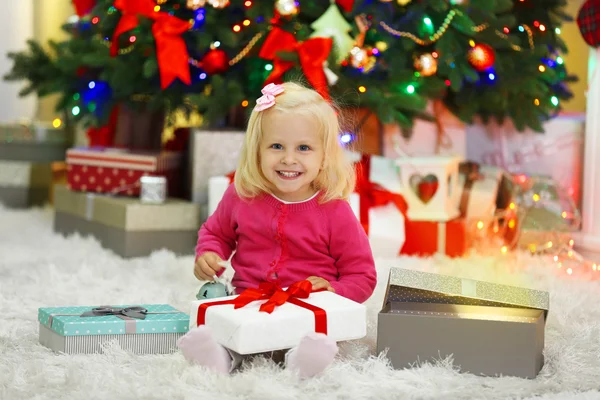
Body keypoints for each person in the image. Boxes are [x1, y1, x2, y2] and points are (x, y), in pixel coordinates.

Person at [177, 81, 377, 378]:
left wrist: (334, 290)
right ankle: (218, 358)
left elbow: (363, 275)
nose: (289, 159)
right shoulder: (242, 194)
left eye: (304, 148)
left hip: (306, 309)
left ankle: (304, 362)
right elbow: (216, 233)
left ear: (324, 156)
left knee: (311, 339)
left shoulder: (334, 210)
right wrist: (209, 254)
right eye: (276, 146)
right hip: (249, 303)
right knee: (231, 332)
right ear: (257, 150)